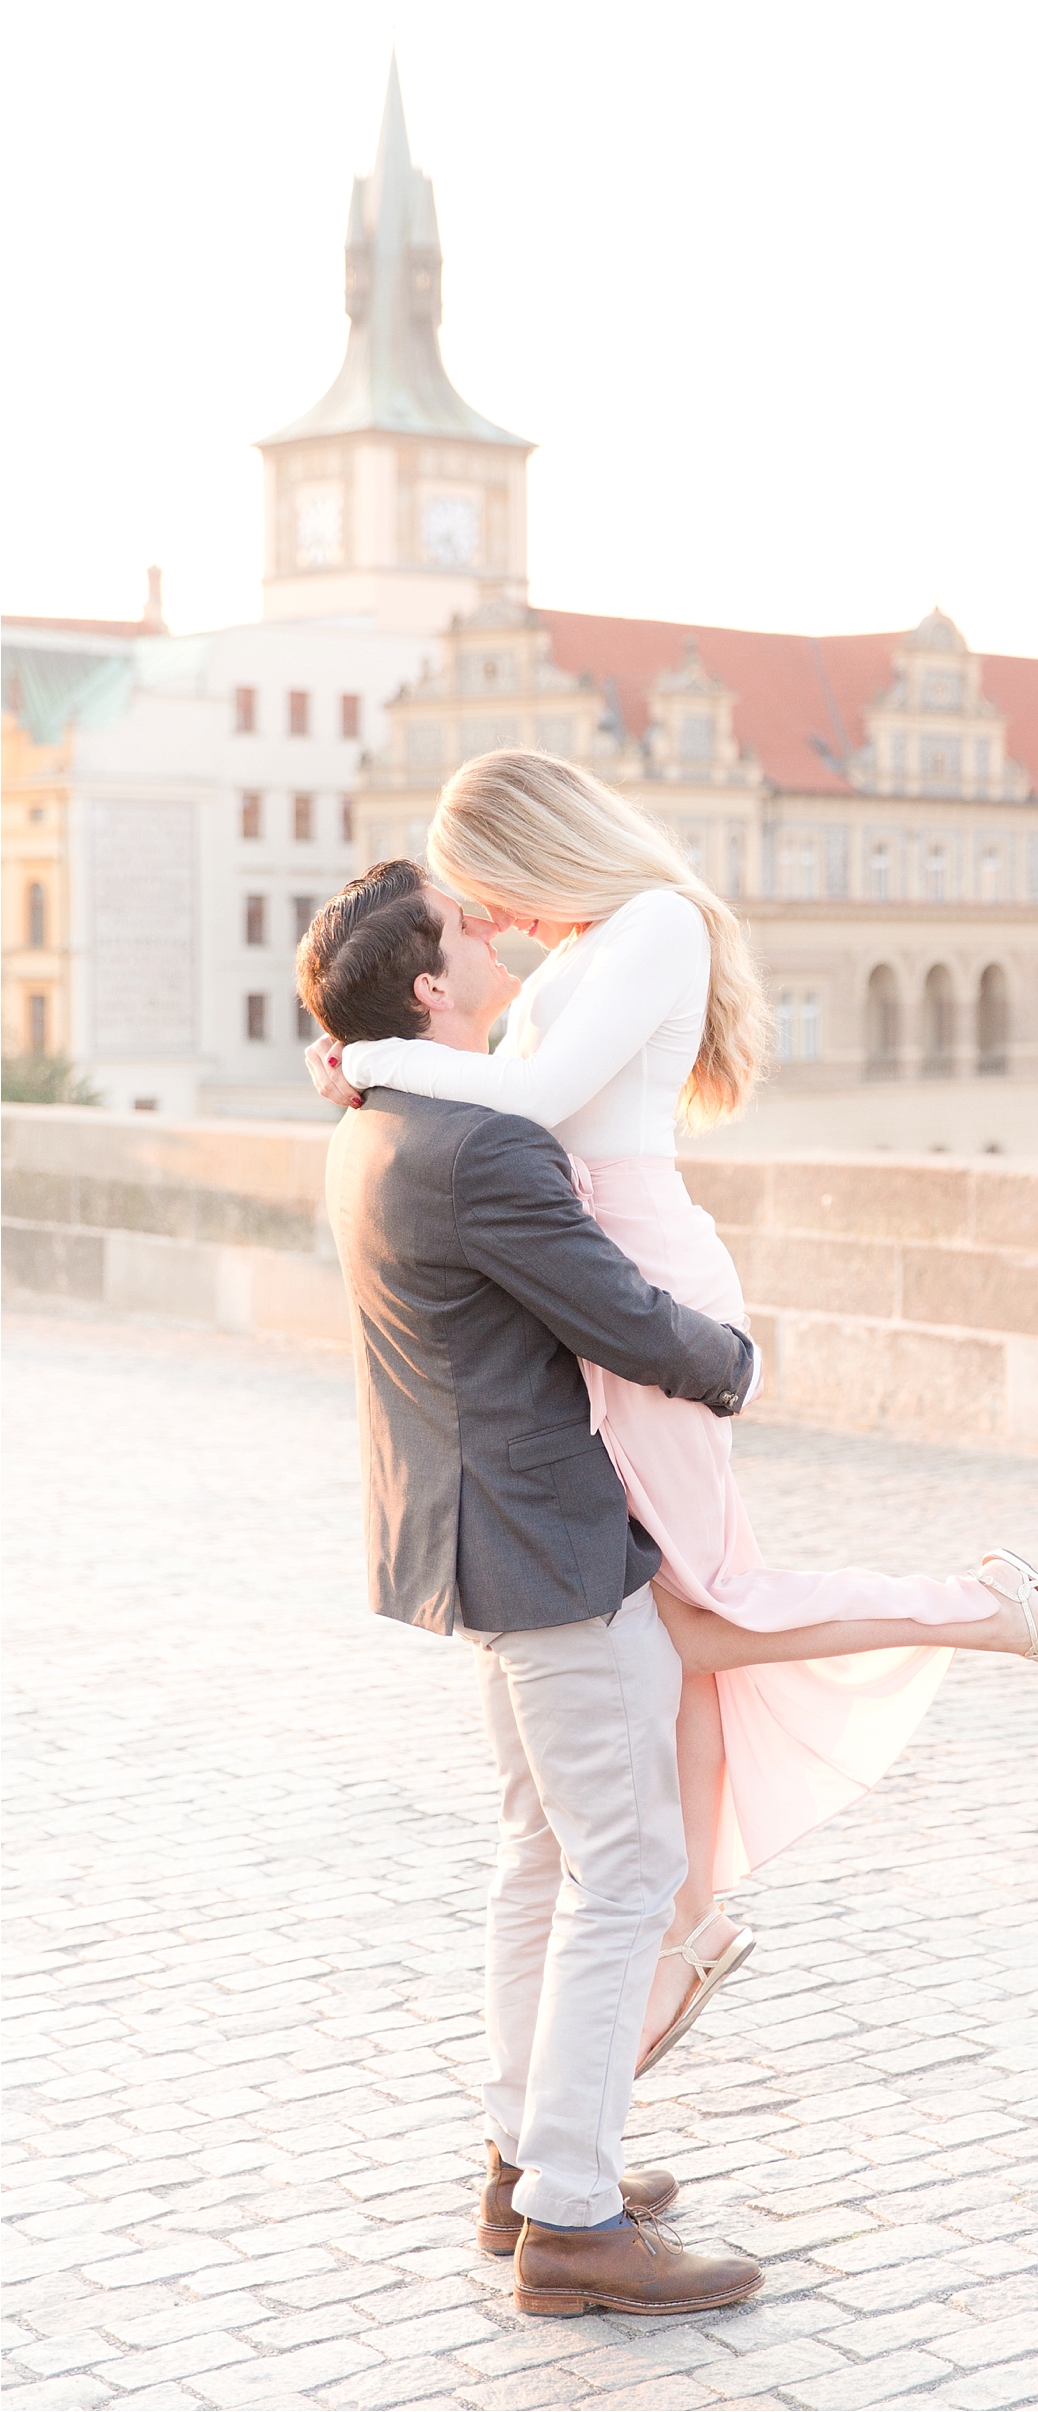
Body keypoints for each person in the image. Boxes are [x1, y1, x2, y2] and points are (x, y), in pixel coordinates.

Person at [305, 752, 1038, 2079]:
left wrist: (378, 1057)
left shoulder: (658, 924)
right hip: (591, 1286)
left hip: (645, 1289)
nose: (494, 923)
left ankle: (982, 1608)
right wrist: (384, 1068)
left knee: (701, 1604)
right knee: (679, 1619)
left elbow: (518, 1104)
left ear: (535, 846)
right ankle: (689, 1923)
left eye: (486, 891)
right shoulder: (585, 947)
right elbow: (494, 1102)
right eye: (472, 913)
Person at [297, 865, 766, 2319]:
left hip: (472, 1550)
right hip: (552, 1553)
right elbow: (612, 1312)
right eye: (461, 928)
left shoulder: (375, 1121)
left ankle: (526, 2159)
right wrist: (731, 1358)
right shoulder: (476, 1147)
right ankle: (572, 2217)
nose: (486, 933)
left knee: (541, 1860)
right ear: (429, 989)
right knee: (625, 1869)